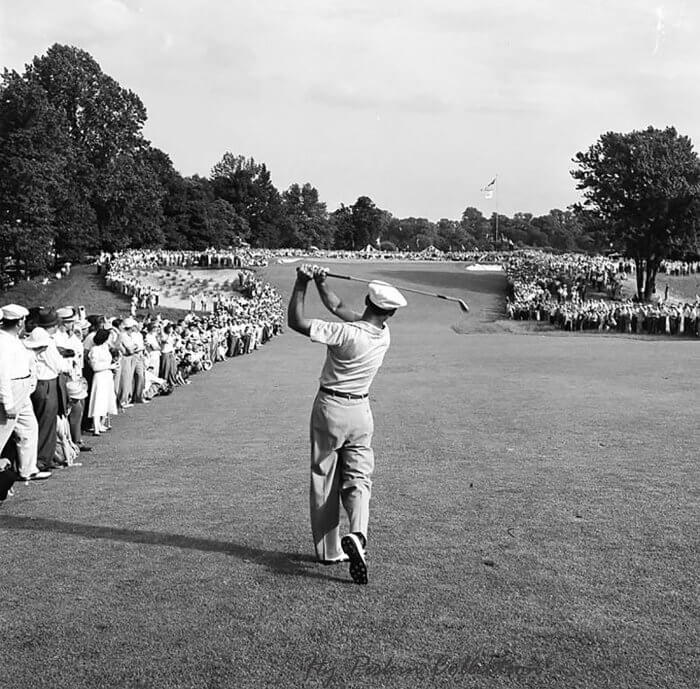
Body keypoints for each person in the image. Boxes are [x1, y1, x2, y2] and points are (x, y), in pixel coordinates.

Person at [287, 264, 407, 585]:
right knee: (358, 479)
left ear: (368, 301)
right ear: (390, 313)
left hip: (330, 408)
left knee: (325, 478)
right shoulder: (384, 335)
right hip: (361, 412)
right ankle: (358, 535)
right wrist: (323, 284)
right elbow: (338, 306)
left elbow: (296, 322)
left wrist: (302, 283)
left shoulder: (344, 334)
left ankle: (329, 550)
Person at [0, 305, 50, 482]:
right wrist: (7, 403)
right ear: (20, 322)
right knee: (3, 432)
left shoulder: (13, 339)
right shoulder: (4, 342)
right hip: (12, 388)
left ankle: (28, 469)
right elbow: (3, 375)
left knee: (29, 427)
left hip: (22, 387)